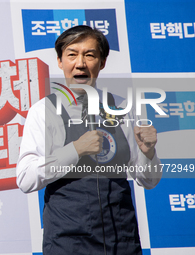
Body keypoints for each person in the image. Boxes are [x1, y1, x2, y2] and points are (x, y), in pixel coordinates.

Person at [16, 25, 162, 255]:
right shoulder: (44, 111)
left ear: (102, 63)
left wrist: (148, 153)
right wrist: (75, 149)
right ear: (60, 61)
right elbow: (26, 179)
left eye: (89, 55)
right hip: (68, 243)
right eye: (72, 54)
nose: (80, 63)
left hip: (122, 241)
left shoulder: (122, 109)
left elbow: (149, 180)